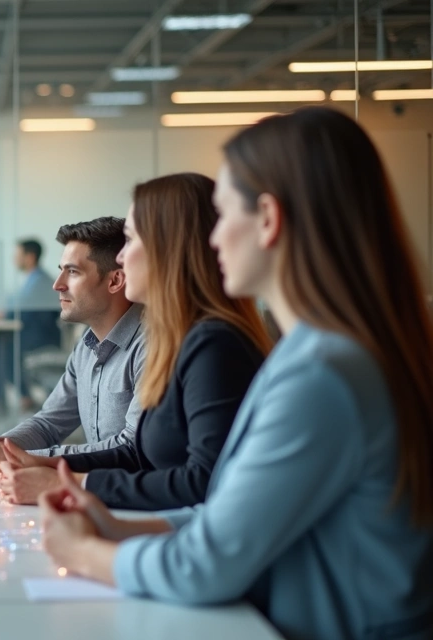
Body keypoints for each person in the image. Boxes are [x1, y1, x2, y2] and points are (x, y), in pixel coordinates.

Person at [37, 107, 433, 640]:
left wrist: (85, 553)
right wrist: (117, 525)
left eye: (222, 216)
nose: (212, 238)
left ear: (268, 220)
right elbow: (231, 515)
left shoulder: (322, 375)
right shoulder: (313, 355)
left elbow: (205, 566)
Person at [0, 173, 271, 510]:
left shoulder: (212, 344)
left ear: (169, 250)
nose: (122, 258)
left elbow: (206, 483)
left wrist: (66, 482)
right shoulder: (180, 338)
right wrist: (17, 454)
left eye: (130, 239)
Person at [0, 217, 145, 480]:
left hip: (131, 505)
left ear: (115, 281)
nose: (57, 284)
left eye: (72, 272)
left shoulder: (151, 345)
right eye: (61, 269)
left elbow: (132, 448)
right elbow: (48, 424)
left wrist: (22, 460)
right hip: (90, 495)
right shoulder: (87, 345)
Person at [0, 238, 62, 411]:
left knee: (0, 352)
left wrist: (3, 314)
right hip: (29, 332)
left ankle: (21, 396)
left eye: (17, 255)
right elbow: (19, 305)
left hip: (40, 336)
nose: (14, 260)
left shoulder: (40, 281)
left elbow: (23, 309)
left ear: (30, 257)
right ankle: (14, 398)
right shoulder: (33, 279)